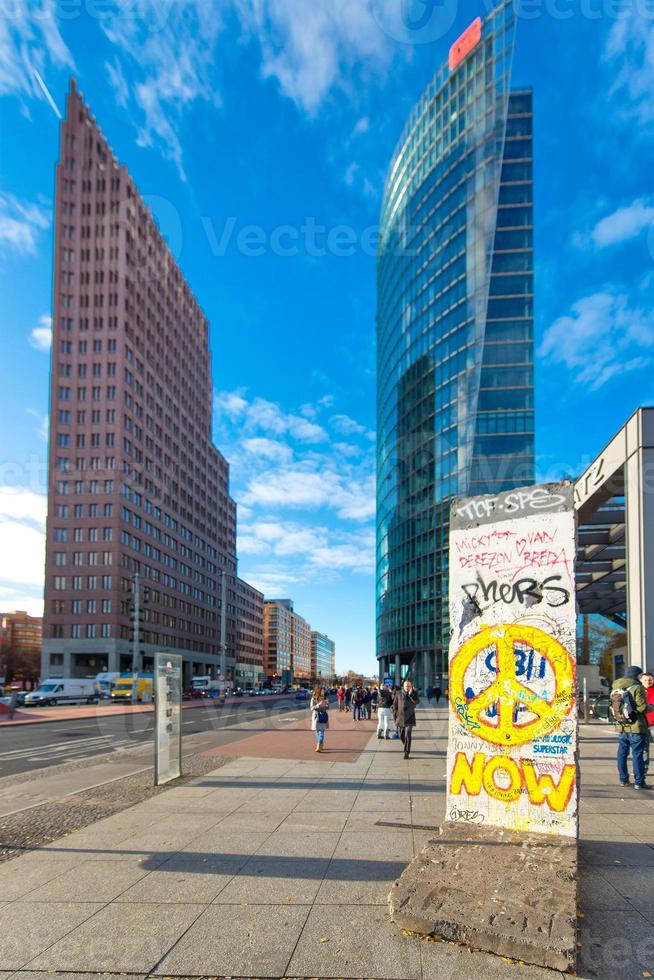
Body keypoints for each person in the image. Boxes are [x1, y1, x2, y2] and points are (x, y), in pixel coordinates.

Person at [611, 666, 650, 789]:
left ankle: (623, 780)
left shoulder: (616, 686)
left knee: (622, 754)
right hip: (636, 726)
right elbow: (642, 708)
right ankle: (639, 782)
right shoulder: (637, 687)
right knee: (637, 754)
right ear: (636, 675)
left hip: (621, 725)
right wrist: (652, 707)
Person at [394, 680, 420, 759]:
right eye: (406, 686)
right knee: (401, 735)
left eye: (409, 686)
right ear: (403, 686)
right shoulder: (398, 693)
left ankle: (406, 752)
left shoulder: (413, 693)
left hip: (410, 717)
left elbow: (417, 702)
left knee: (408, 734)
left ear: (411, 686)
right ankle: (407, 744)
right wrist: (395, 717)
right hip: (400, 717)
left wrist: (411, 695)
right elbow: (395, 705)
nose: (407, 688)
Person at [641, 672, 654, 775]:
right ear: (641, 681)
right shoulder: (638, 691)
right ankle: (643, 769)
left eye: (650, 680)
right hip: (643, 724)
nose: (648, 681)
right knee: (644, 749)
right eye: (645, 680)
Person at [310, 685, 330, 753]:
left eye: (324, 691)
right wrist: (318, 704)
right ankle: (320, 744)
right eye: (322, 691)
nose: (323, 693)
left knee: (321, 732)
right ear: (319, 692)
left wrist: (327, 704)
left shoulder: (324, 698)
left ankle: (319, 744)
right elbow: (311, 708)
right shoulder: (314, 698)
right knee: (317, 732)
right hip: (316, 717)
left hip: (323, 717)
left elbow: (327, 708)